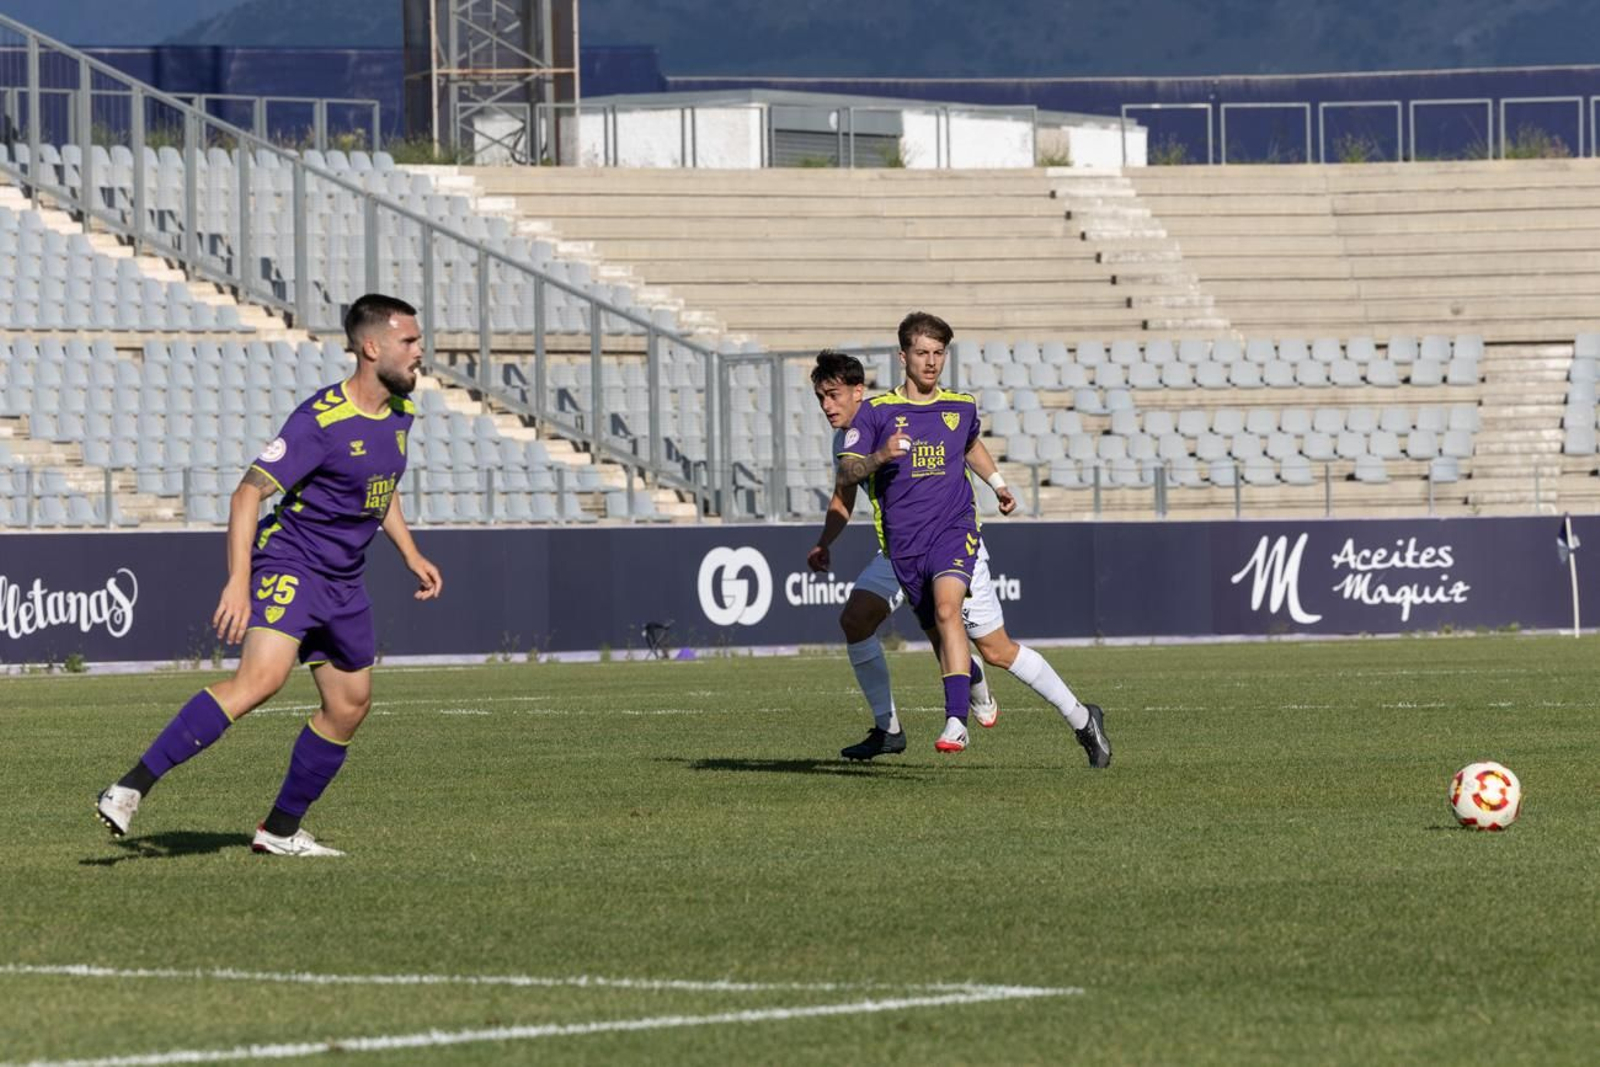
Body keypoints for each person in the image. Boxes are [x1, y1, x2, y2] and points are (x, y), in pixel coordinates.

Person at [94, 293, 443, 856]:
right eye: (410, 341)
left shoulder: (400, 413)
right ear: (372, 346)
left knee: (349, 705)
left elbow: (381, 488)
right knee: (262, 680)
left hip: (346, 581)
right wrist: (239, 581)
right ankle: (128, 787)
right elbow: (246, 494)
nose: (420, 352)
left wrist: (409, 552)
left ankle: (279, 830)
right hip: (293, 564)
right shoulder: (319, 421)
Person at [832, 313, 1111, 765]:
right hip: (906, 548)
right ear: (903, 356)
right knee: (993, 648)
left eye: (939, 353)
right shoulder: (877, 413)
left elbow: (968, 445)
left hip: (955, 533)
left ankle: (956, 722)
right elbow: (847, 471)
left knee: (947, 611)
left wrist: (998, 483)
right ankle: (1081, 716)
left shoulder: (960, 405)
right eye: (922, 353)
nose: (931, 362)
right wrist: (881, 455)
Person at [808, 350, 997, 760]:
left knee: (942, 631)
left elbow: (957, 451)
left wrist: (997, 485)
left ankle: (973, 682)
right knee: (856, 620)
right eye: (820, 397)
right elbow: (842, 498)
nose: (826, 406)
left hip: (932, 543)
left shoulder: (892, 419)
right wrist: (825, 542)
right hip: (895, 551)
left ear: (859, 392)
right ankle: (888, 728)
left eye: (833, 395)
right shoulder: (846, 440)